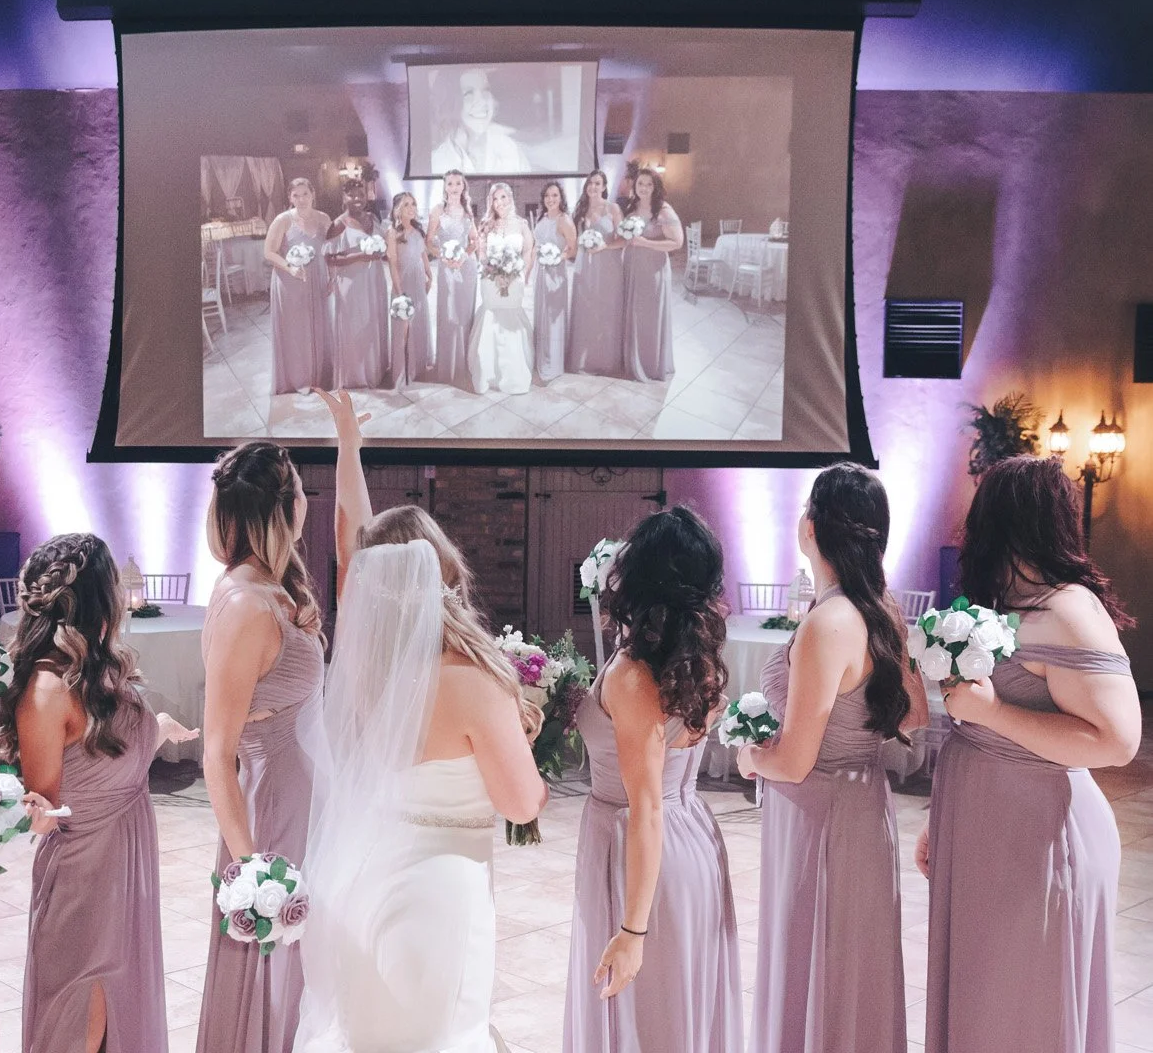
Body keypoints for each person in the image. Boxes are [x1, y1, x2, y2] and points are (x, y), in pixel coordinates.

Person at [296, 390, 546, 1051]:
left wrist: (347, 446)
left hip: (368, 875)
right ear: (443, 570)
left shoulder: (362, 667)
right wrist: (523, 736)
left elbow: (353, 543)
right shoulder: (470, 682)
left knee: (370, 1031)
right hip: (440, 890)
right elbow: (521, 803)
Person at [921, 456, 1140, 1053]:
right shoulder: (1003, 600)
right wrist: (942, 821)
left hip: (1040, 835)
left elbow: (1119, 741)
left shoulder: (1067, 609)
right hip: (984, 826)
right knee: (984, 996)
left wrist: (993, 712)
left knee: (1020, 1005)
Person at [737, 462, 926, 1053]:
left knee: (817, 951)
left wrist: (749, 757)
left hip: (821, 813)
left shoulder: (829, 622)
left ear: (812, 528)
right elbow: (915, 716)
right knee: (852, 956)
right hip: (866, 800)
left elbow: (793, 761)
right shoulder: (882, 610)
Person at [0, 533, 198, 1053]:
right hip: (85, 868)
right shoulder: (46, 691)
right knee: (84, 1001)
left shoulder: (96, 668)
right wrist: (18, 816)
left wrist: (156, 728)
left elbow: (106, 755)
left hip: (125, 852)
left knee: (119, 997)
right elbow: (40, 802)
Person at [563, 508, 742, 1053]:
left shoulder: (633, 674)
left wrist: (633, 931)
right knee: (677, 1010)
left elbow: (644, 806)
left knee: (645, 1014)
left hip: (640, 849)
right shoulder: (696, 657)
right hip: (690, 834)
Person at [196, 442, 327, 1053]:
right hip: (274, 807)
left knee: (301, 967)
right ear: (285, 508)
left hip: (295, 795)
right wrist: (251, 871)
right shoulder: (248, 604)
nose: (306, 499)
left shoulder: (265, 589)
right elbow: (217, 752)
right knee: (277, 964)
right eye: (299, 489)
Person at [265, 177, 334, 395]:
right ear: (290, 198)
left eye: (305, 194)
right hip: (290, 282)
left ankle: (319, 376)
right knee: (297, 331)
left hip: (317, 281)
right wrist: (290, 267)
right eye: (296, 195)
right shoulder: (283, 220)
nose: (301, 199)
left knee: (319, 326)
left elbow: (332, 251)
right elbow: (268, 252)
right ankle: (298, 378)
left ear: (313, 194)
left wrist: (332, 276)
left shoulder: (324, 218)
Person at [467, 182, 536, 395]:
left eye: (503, 197)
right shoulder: (487, 224)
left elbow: (528, 251)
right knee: (491, 314)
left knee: (510, 316)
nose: (499, 203)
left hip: (514, 280)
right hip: (491, 279)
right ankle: (487, 371)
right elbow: (482, 253)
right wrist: (491, 271)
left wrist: (522, 274)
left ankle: (513, 371)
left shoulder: (522, 223)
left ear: (511, 198)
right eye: (495, 199)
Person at [325, 178, 391, 390]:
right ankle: (356, 375)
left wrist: (383, 252)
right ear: (343, 198)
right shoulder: (338, 224)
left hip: (375, 279)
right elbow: (329, 259)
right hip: (352, 283)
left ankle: (376, 370)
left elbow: (383, 244)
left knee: (374, 320)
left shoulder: (372, 217)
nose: (357, 199)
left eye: (360, 195)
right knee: (355, 325)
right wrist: (360, 257)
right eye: (351, 195)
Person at [619, 167, 682, 381]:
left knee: (649, 314)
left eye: (648, 184)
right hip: (633, 265)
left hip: (653, 269)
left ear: (655, 187)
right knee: (633, 312)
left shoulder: (663, 210)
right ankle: (632, 359)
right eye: (640, 184)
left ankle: (650, 364)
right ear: (634, 187)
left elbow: (677, 242)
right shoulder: (631, 207)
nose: (644, 188)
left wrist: (645, 242)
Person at [566, 169, 626, 377]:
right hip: (585, 265)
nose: (593, 187)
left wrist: (604, 247)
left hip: (608, 264)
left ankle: (605, 361)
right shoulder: (580, 209)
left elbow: (624, 239)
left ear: (604, 186)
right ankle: (584, 359)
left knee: (606, 309)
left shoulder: (613, 208)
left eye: (597, 183)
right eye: (590, 183)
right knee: (586, 308)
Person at [425, 170, 479, 389]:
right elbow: (429, 241)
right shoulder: (438, 210)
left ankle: (465, 362)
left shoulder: (467, 210)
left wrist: (465, 254)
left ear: (463, 186)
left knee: (465, 312)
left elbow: (474, 239)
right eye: (450, 183)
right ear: (445, 187)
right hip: (447, 269)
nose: (455, 187)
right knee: (449, 312)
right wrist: (444, 257)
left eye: (458, 183)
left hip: (467, 268)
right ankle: (448, 364)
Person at [429, 67, 533, 176]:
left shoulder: (510, 150)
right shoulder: (438, 162)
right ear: (451, 103)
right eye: (468, 94)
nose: (482, 101)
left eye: (485, 91)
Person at [386, 191, 434, 388]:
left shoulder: (417, 231)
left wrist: (430, 276)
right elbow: (393, 262)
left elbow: (423, 256)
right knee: (403, 327)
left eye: (413, 204)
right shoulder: (392, 233)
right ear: (398, 209)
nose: (412, 208)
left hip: (418, 282)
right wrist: (399, 293)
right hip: (403, 283)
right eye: (406, 204)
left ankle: (418, 365)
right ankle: (401, 371)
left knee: (418, 322)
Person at [531, 180, 576, 383]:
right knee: (542, 313)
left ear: (561, 198)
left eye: (555, 195)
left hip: (556, 273)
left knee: (553, 316)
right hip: (541, 272)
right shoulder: (543, 218)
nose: (551, 199)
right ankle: (542, 354)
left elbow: (572, 249)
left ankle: (554, 360)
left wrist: (556, 258)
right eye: (547, 195)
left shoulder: (564, 219)